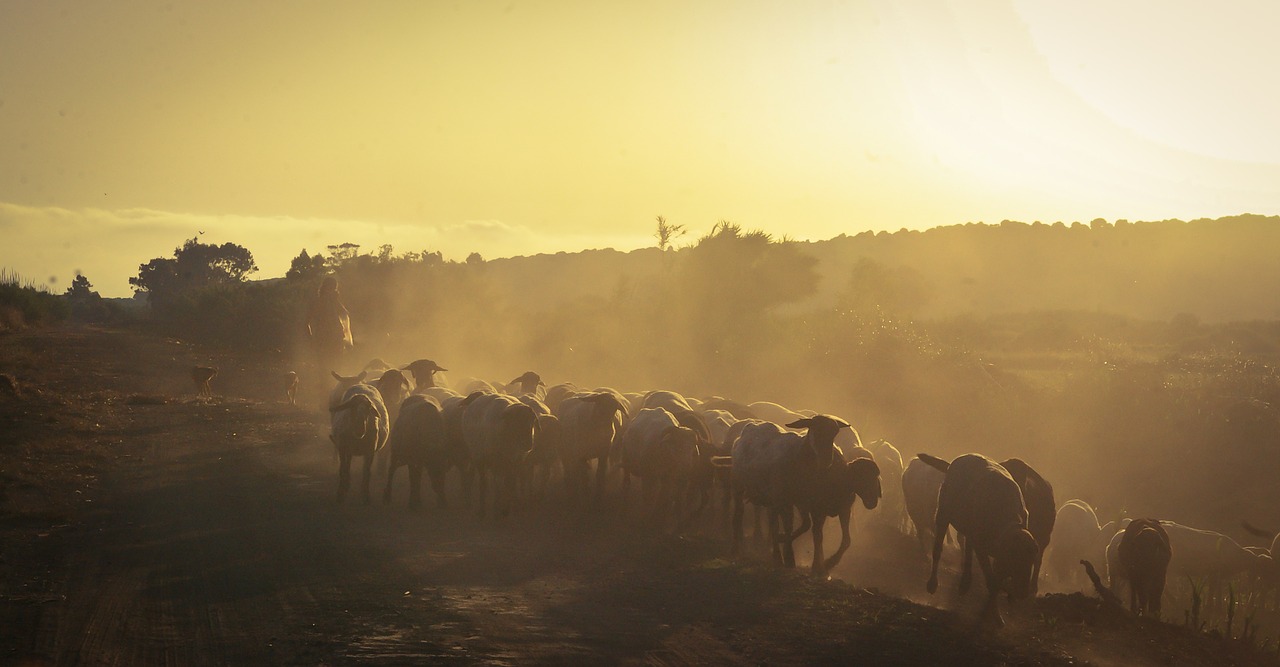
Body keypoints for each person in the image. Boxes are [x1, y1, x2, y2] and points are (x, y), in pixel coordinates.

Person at [306, 275, 353, 400]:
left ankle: (335, 395)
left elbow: (345, 314)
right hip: (323, 341)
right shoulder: (318, 302)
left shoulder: (334, 302)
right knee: (324, 370)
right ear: (325, 288)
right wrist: (311, 339)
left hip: (336, 340)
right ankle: (325, 397)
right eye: (330, 288)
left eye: (334, 288)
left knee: (337, 367)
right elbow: (307, 321)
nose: (332, 290)